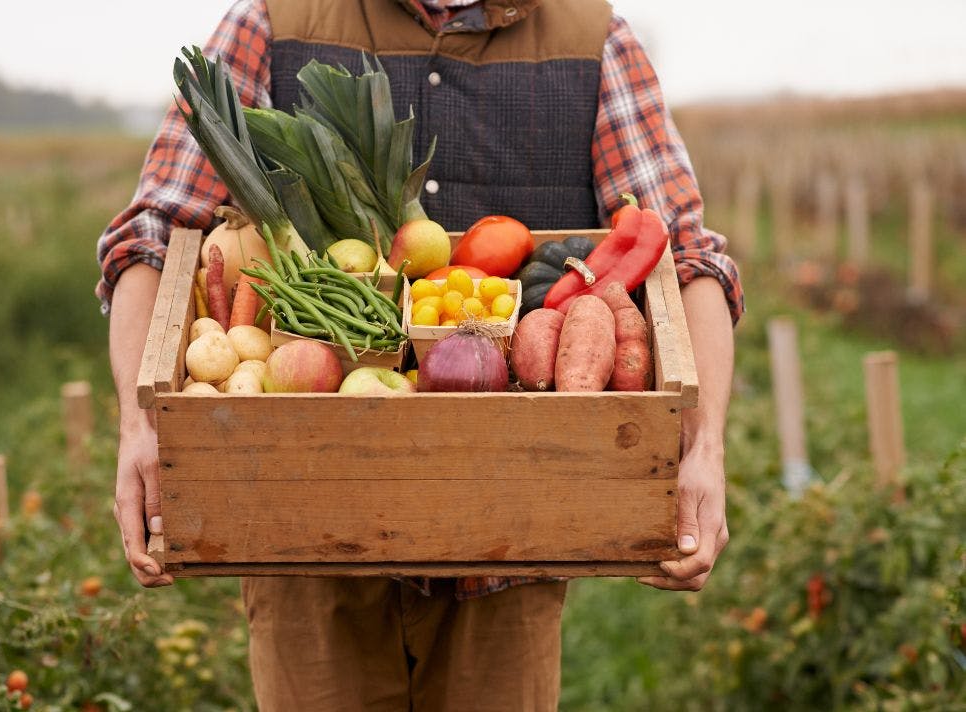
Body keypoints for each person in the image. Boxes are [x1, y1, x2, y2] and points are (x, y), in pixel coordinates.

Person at [98, 0, 744, 709]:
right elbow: (155, 235)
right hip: (309, 541)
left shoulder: (591, 38)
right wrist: (140, 425)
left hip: (514, 544)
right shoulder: (274, 22)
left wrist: (704, 446)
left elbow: (686, 258)